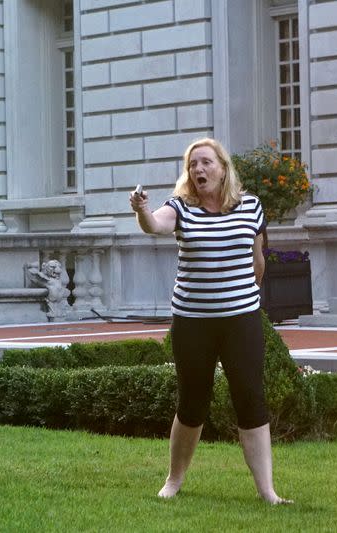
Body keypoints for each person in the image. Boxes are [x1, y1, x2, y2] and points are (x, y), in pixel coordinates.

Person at [129, 137, 291, 505]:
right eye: (192, 165)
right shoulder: (181, 208)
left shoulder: (250, 206)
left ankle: (267, 491)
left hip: (242, 320)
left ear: (223, 167)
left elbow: (258, 258)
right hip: (193, 322)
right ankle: (173, 480)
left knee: (251, 399)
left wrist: (248, 299)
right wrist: (141, 209)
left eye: (205, 163)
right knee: (192, 402)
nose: (198, 170)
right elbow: (154, 226)